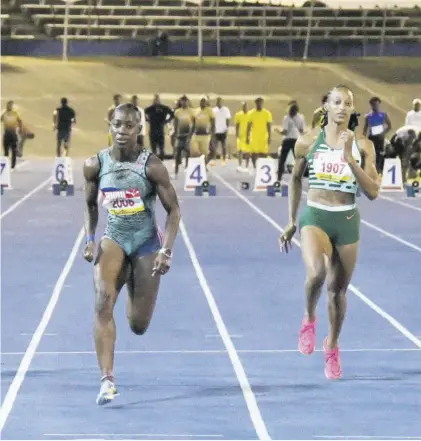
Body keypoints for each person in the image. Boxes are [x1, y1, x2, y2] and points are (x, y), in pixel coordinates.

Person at [82, 103, 181, 405]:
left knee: (138, 325)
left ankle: (132, 284)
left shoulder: (151, 166)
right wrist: (89, 238)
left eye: (129, 126)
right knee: (101, 302)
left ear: (140, 129)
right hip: (114, 237)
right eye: (117, 125)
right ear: (109, 126)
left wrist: (167, 250)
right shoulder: (94, 164)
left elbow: (174, 210)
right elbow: (90, 205)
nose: (122, 131)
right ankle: (107, 381)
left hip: (146, 243)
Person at [280, 85, 379, 380]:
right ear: (326, 107)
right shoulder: (307, 142)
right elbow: (295, 180)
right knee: (316, 274)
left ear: (352, 108)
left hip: (346, 218)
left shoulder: (363, 147)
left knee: (338, 292)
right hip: (316, 215)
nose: (341, 107)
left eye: (347, 103)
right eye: (336, 102)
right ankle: (309, 317)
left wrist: (349, 158)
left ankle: (332, 345)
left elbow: (373, 192)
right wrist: (291, 220)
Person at [276, 101, 305, 182]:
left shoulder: (286, 118)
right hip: (296, 140)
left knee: (282, 160)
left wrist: (278, 131)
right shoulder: (301, 117)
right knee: (298, 160)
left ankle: (279, 178)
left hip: (287, 140)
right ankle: (298, 177)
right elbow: (301, 130)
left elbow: (285, 132)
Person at [362, 96, 392, 174]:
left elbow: (389, 126)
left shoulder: (384, 115)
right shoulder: (368, 116)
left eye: (377, 104)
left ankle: (378, 171)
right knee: (370, 155)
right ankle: (368, 170)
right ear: (371, 105)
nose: (376, 106)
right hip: (372, 138)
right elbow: (365, 129)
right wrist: (363, 138)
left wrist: (383, 133)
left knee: (380, 154)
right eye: (374, 104)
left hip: (380, 138)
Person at [145, 94, 174, 161]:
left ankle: (161, 162)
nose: (156, 101)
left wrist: (166, 121)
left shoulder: (164, 108)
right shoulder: (150, 108)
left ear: (159, 100)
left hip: (160, 132)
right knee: (153, 150)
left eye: (157, 100)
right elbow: (142, 113)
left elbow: (172, 114)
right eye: (155, 100)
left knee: (161, 149)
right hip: (152, 132)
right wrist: (147, 120)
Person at [246, 97, 273, 170]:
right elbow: (248, 126)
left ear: (262, 103)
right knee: (254, 153)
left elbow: (269, 126)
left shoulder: (267, 113)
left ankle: (262, 167)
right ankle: (255, 166)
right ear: (256, 103)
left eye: (261, 103)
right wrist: (247, 137)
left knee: (263, 154)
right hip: (254, 137)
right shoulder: (251, 113)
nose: (259, 104)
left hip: (264, 136)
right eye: (258, 103)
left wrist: (270, 137)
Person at [173, 95, 195, 179]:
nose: (184, 102)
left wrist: (191, 134)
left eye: (186, 101)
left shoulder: (192, 111)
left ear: (188, 102)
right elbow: (175, 124)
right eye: (182, 101)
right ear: (180, 102)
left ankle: (187, 169)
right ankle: (176, 172)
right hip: (179, 135)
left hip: (187, 136)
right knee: (177, 154)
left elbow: (194, 123)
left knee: (187, 153)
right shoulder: (177, 112)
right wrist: (174, 134)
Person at [1, 100, 22, 170]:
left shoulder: (15, 113)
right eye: (9, 105)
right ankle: (6, 165)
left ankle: (13, 165)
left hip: (13, 133)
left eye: (11, 105)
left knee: (14, 150)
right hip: (6, 133)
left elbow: (20, 121)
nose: (10, 106)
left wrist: (20, 129)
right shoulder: (4, 113)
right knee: (6, 150)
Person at [212, 97, 231, 165]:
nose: (218, 103)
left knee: (224, 146)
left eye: (220, 101)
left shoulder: (226, 109)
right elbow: (212, 120)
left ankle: (223, 159)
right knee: (214, 146)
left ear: (222, 102)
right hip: (216, 130)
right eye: (217, 101)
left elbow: (228, 120)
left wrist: (226, 128)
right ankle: (214, 160)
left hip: (223, 130)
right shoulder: (213, 110)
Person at [234, 101, 250, 172]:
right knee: (239, 151)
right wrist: (237, 133)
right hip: (240, 135)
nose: (244, 108)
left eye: (245, 106)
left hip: (248, 135)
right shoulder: (238, 115)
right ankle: (239, 165)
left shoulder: (250, 115)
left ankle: (246, 166)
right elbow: (237, 125)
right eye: (243, 106)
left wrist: (249, 136)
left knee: (247, 152)